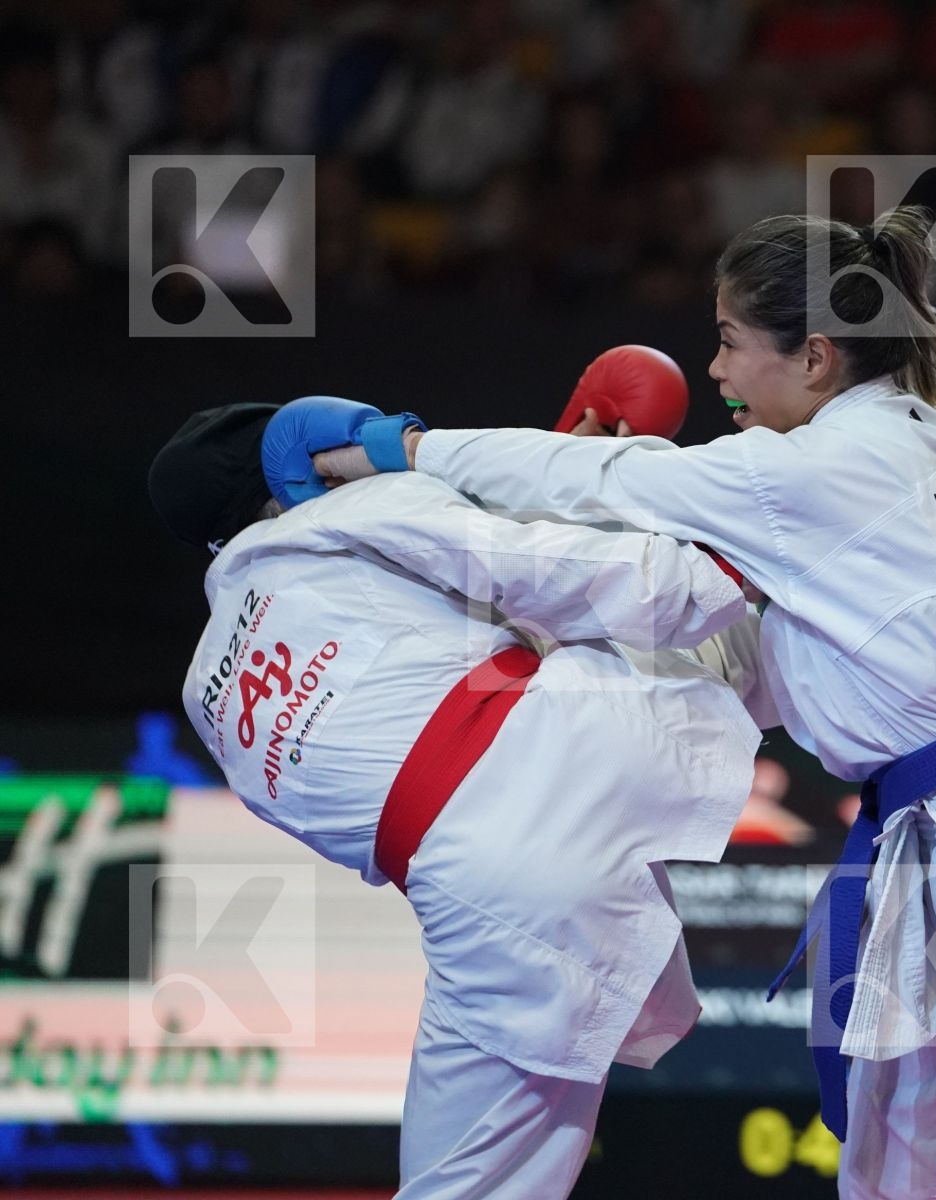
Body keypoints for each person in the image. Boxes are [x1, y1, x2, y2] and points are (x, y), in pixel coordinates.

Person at [310, 208, 936, 1199]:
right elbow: (772, 665)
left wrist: (403, 450)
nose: (713, 373)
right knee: (896, 1175)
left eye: (729, 343)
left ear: (818, 358)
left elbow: (603, 477)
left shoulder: (820, 471)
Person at [149, 398, 772, 1200]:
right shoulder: (355, 510)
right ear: (294, 467)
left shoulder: (209, 693)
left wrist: (528, 485)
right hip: (579, 757)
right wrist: (713, 561)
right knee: (754, 630)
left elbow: (414, 691)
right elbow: (539, 568)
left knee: (457, 1187)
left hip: (472, 899)